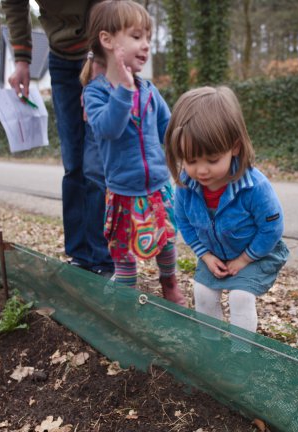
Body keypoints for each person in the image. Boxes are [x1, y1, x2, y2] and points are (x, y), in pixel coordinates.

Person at [81, 0, 186, 305]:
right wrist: (124, 92)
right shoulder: (96, 92)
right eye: (137, 36)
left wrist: (193, 148)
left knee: (166, 244)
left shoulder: (150, 90)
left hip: (156, 187)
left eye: (148, 39)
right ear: (108, 40)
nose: (146, 46)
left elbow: (170, 131)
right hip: (123, 192)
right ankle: (126, 294)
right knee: (123, 253)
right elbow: (108, 128)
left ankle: (169, 284)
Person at [164, 86, 289, 336]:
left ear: (235, 147)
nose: (201, 171)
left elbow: (272, 227)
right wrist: (206, 256)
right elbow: (184, 222)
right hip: (215, 255)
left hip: (256, 253)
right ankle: (212, 347)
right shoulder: (186, 187)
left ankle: (240, 354)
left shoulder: (255, 187)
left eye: (211, 160)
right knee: (202, 293)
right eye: (190, 161)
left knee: (240, 297)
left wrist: (244, 260)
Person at [2, 0, 114, 277]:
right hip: (61, 57)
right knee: (73, 162)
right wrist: (22, 61)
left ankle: (104, 259)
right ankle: (80, 256)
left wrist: (99, 57)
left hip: (101, 48)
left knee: (95, 164)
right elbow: (14, 4)